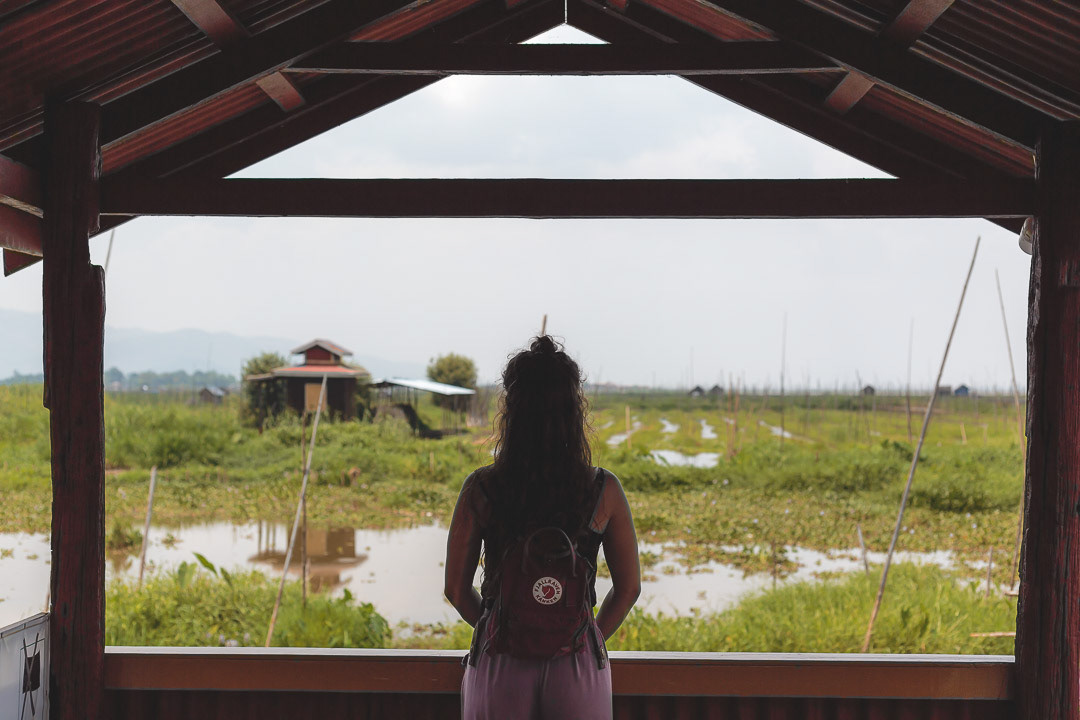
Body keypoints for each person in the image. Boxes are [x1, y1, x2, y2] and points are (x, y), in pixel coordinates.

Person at [444, 335, 641, 720]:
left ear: (512, 410)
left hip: (499, 659)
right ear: (574, 409)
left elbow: (455, 589)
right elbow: (629, 588)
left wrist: (504, 627)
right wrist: (582, 635)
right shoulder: (605, 490)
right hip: (577, 662)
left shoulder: (481, 488)